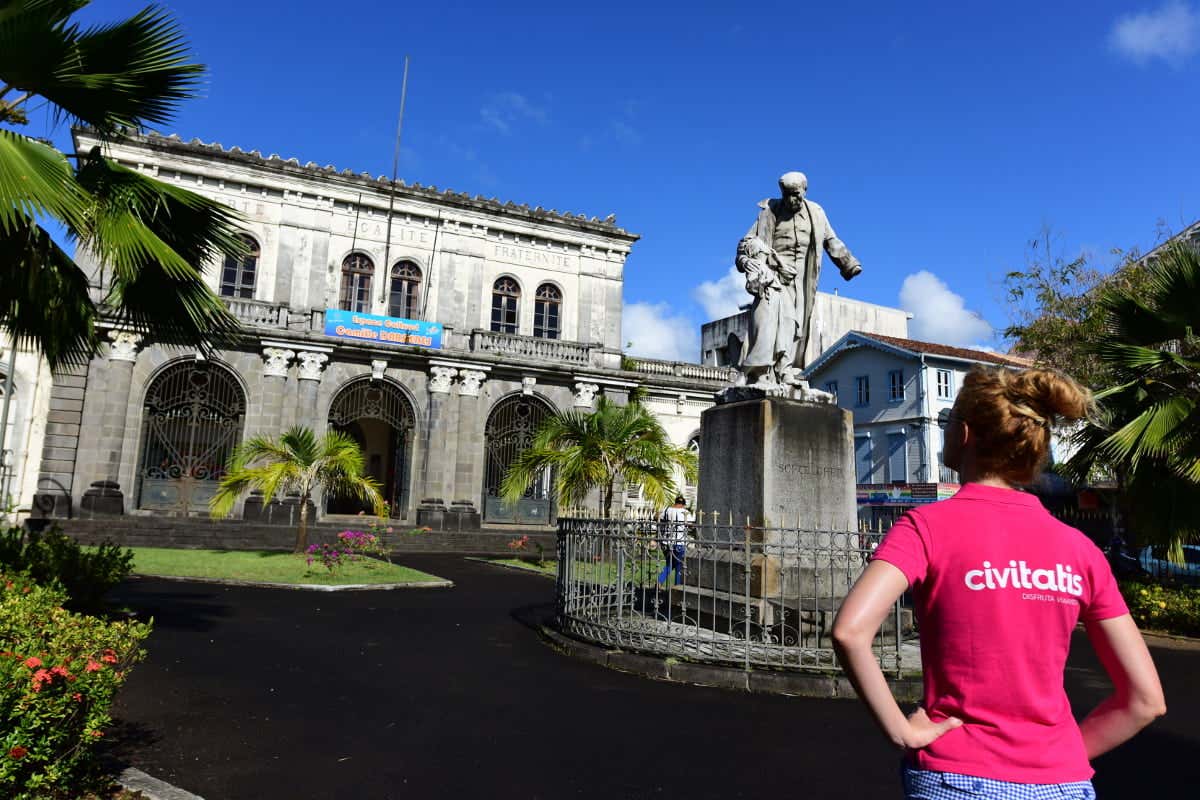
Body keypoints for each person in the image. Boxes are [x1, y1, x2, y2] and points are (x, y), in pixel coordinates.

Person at [832, 366, 1165, 799]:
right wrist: (1062, 757)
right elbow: (1145, 701)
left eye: (948, 421)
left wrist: (901, 730)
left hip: (957, 775)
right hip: (1062, 783)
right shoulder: (1079, 549)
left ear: (964, 434)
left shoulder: (926, 526)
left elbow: (849, 631)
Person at [735, 171, 862, 386]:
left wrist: (848, 264)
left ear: (804, 191)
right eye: (788, 195)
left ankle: (786, 370)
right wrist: (751, 261)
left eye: (796, 194)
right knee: (773, 321)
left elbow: (830, 239)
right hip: (773, 275)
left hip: (802, 278)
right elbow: (747, 244)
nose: (793, 199)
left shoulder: (816, 213)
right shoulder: (770, 212)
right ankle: (763, 371)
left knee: (795, 325)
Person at [657, 495, 692, 586]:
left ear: (675, 503)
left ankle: (660, 580)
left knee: (671, 563)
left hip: (666, 542)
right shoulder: (686, 512)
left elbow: (657, 518)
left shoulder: (666, 509)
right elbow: (690, 525)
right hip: (679, 543)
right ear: (683, 505)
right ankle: (676, 586)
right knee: (678, 566)